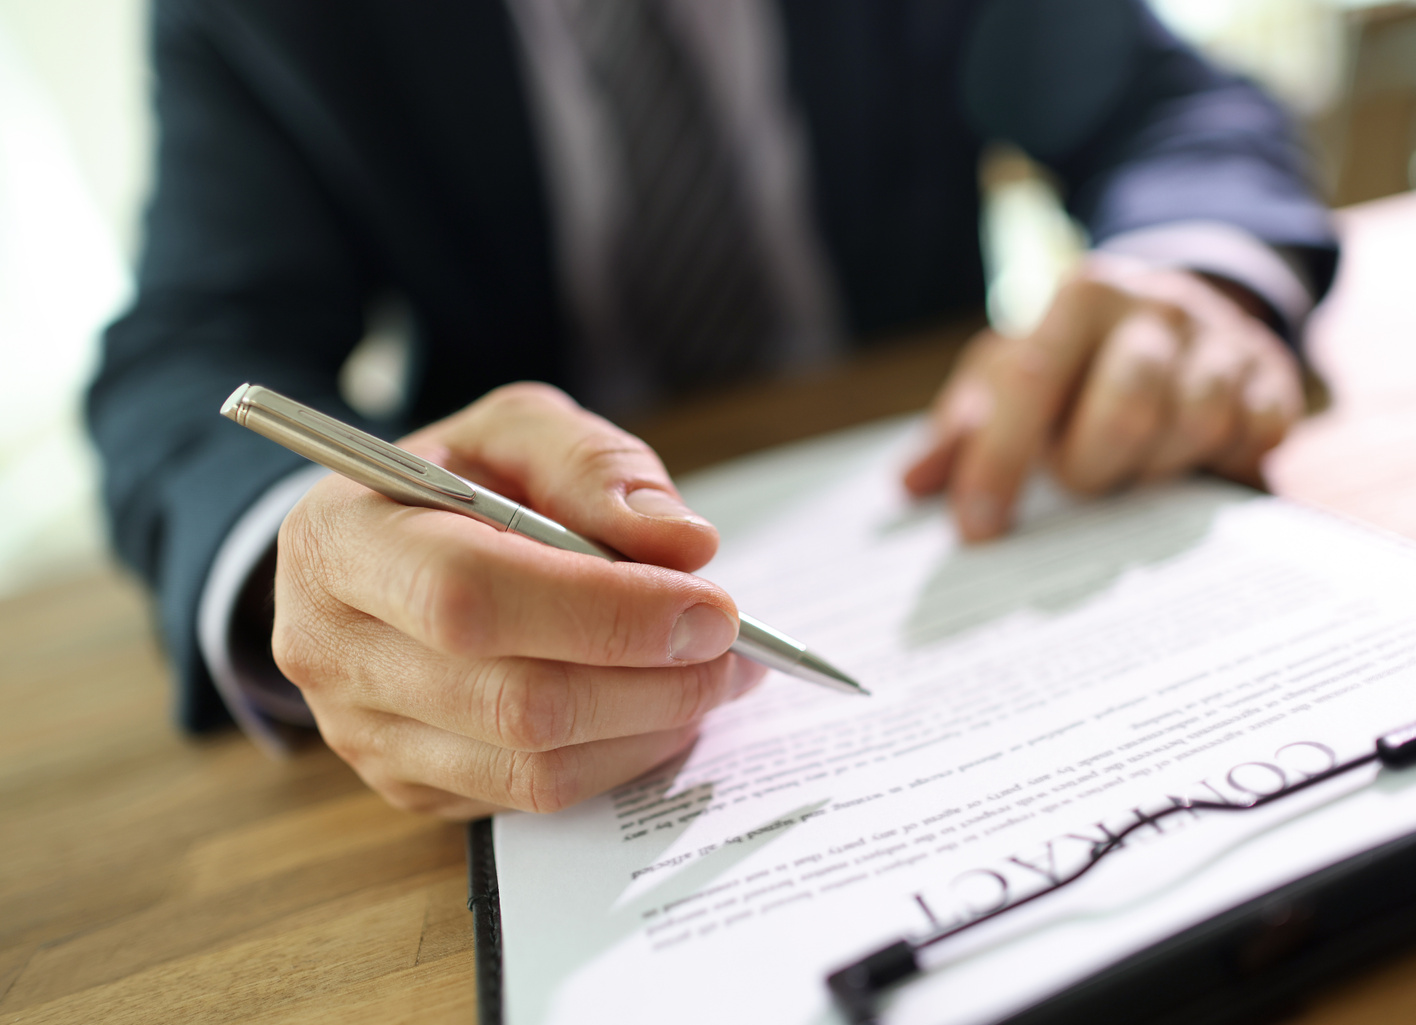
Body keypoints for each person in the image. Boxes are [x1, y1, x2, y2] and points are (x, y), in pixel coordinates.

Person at [88, 0, 1338, 818]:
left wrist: (1193, 272)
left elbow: (1170, 108)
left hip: (937, 497)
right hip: (519, 548)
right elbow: (191, 350)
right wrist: (302, 543)